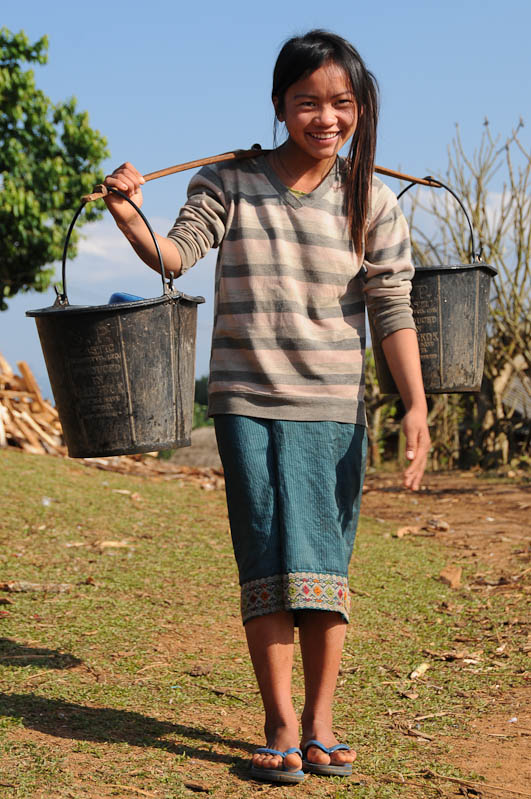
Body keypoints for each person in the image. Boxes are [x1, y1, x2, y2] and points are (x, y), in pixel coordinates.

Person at [103, 29, 431, 785]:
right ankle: (279, 720)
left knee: (323, 563)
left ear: (359, 108)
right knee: (263, 554)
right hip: (246, 401)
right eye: (307, 101)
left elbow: (392, 306)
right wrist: (129, 216)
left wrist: (412, 404)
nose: (325, 117)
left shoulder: (370, 197)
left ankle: (320, 718)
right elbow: (174, 255)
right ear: (279, 103)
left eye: (341, 103)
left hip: (331, 407)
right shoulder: (226, 182)